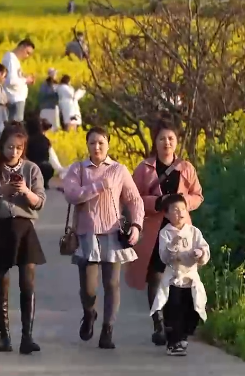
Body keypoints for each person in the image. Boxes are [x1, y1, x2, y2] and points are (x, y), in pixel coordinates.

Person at [61, 127, 145, 350]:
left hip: (112, 234)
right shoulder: (78, 169)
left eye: (101, 142)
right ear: (87, 145)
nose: (97, 147)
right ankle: (89, 313)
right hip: (86, 235)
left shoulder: (119, 170)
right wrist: (99, 185)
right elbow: (71, 194)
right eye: (92, 143)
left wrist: (136, 226)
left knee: (112, 283)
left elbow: (134, 200)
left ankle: (108, 329)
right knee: (88, 288)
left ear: (108, 144)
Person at [127, 116, 204, 346]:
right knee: (155, 276)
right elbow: (132, 197)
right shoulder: (145, 168)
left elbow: (198, 195)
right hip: (153, 230)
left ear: (176, 141)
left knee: (179, 278)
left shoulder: (185, 168)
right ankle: (158, 324)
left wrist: (183, 202)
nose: (167, 143)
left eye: (171, 138)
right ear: (155, 141)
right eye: (162, 138)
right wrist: (156, 202)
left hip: (180, 230)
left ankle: (176, 324)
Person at [0, 122, 46, 355]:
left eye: (18, 148)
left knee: (28, 284)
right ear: (2, 146)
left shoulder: (32, 169)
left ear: (24, 148)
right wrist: (0, 192)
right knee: (1, 285)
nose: (14, 152)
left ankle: (27, 337)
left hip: (25, 229)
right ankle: (4, 337)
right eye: (10, 147)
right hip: (0, 229)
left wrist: (25, 191)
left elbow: (40, 201)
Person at [150, 194, 210, 357]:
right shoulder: (165, 233)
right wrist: (172, 246)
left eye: (183, 209)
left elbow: (204, 248)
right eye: (175, 210)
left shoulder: (194, 231)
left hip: (190, 278)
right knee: (173, 310)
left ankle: (183, 336)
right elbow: (164, 257)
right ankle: (173, 342)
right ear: (167, 214)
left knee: (191, 309)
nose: (180, 213)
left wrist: (200, 253)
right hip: (173, 279)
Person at [24, 118, 65, 188]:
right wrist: (60, 169)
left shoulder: (26, 141)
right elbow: (52, 158)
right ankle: (44, 183)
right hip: (46, 169)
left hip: (32, 170)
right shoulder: (45, 140)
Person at [2, 39, 35, 122]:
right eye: (27, 52)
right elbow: (11, 81)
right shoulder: (11, 59)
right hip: (15, 100)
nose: (27, 56)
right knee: (15, 127)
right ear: (22, 47)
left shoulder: (14, 60)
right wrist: (26, 80)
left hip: (16, 100)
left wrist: (24, 77)